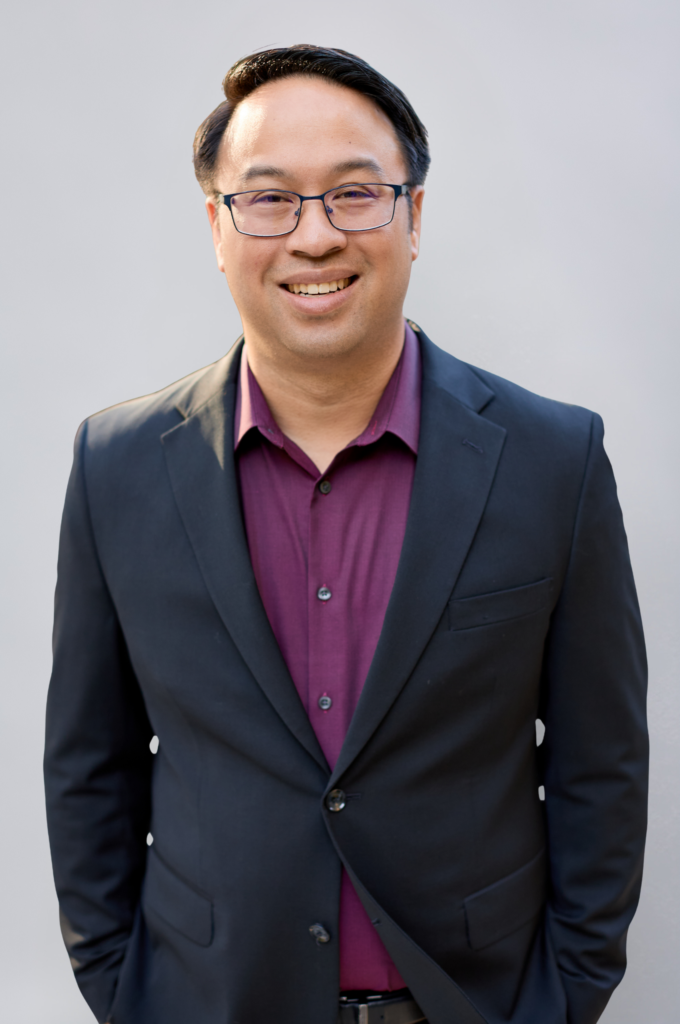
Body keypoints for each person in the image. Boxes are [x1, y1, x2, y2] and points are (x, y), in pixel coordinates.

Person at [44, 45, 648, 1024]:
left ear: (413, 218)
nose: (314, 237)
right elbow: (89, 761)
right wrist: (124, 987)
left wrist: (565, 994)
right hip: (208, 1002)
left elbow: (598, 759)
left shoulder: (552, 460)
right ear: (217, 226)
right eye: (270, 199)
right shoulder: (117, 465)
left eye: (355, 194)